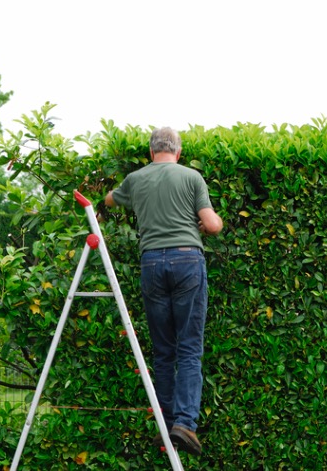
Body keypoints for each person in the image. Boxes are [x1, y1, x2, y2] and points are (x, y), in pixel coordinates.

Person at [105, 127, 223, 456]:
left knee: (163, 351)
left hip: (152, 263)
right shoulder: (191, 178)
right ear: (178, 152)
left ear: (151, 151)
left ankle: (165, 424)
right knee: (188, 348)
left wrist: (107, 194)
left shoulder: (136, 179)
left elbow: (110, 199)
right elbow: (212, 225)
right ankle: (184, 424)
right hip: (187, 260)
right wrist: (213, 222)